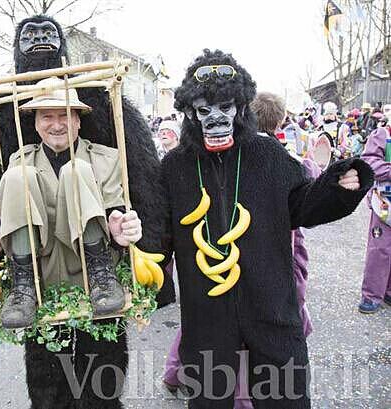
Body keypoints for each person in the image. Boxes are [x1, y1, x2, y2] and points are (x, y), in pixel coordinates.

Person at [160, 49, 373, 408]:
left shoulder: (268, 155)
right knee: (210, 397)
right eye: (204, 110)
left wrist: (338, 185)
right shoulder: (175, 167)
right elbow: (160, 231)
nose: (215, 119)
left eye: (225, 107)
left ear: (241, 108)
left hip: (271, 303)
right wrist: (131, 240)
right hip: (205, 309)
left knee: (284, 394)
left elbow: (302, 204)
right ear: (191, 114)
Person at [0, 76, 141, 326]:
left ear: (78, 121)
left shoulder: (106, 159)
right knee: (20, 176)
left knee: (76, 170)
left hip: (89, 272)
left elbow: (114, 206)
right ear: (37, 123)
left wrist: (120, 227)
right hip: (42, 273)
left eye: (65, 115)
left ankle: (100, 273)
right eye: (47, 116)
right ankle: (22, 285)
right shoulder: (20, 161)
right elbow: (12, 213)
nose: (57, 124)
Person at [358, 124, 391, 313]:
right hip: (385, 203)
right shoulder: (382, 134)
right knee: (380, 248)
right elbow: (369, 163)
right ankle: (371, 295)